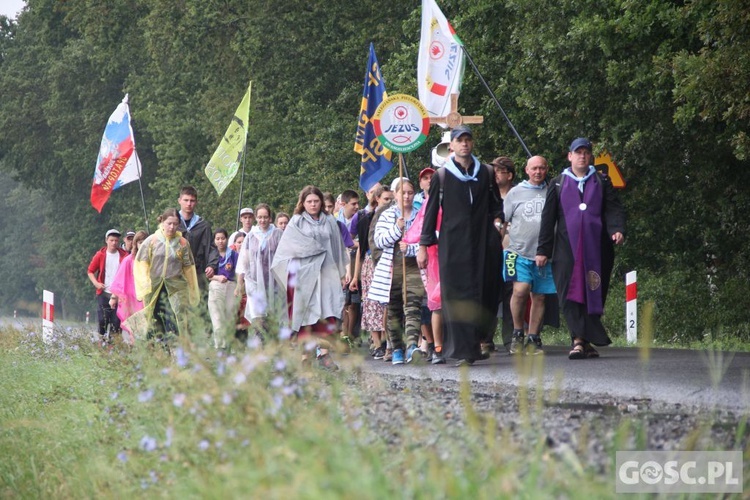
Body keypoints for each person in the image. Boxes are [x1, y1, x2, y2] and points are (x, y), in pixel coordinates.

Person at [418, 125, 503, 366]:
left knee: (483, 292)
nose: (464, 144)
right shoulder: (442, 176)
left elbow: (497, 205)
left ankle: (478, 341)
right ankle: (463, 349)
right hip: (453, 243)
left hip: (483, 240)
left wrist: (498, 224)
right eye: (460, 140)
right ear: (451, 146)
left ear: (472, 144)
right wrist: (424, 246)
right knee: (457, 295)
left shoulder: (485, 172)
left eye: (468, 139)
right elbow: (431, 212)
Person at [536, 138, 626, 359]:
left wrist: (616, 229)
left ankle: (583, 341)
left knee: (594, 289)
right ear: (570, 156)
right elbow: (548, 220)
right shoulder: (557, 184)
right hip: (566, 249)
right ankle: (578, 340)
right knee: (569, 293)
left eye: (586, 152)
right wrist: (543, 250)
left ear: (590, 156)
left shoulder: (602, 181)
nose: (582, 156)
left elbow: (613, 209)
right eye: (578, 153)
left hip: (597, 247)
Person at [271, 186, 348, 367]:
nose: (313, 204)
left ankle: (324, 354)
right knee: (305, 314)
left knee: (326, 311)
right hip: (304, 275)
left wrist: (341, 272)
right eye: (309, 201)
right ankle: (305, 356)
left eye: (316, 201)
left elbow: (337, 246)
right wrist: (313, 250)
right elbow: (288, 247)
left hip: (327, 272)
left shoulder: (329, 220)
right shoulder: (296, 221)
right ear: (303, 203)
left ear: (321, 202)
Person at [503, 156, 556, 355]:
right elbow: (504, 221)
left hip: (544, 254)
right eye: (534, 168)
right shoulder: (515, 193)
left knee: (539, 296)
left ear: (546, 169)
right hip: (518, 251)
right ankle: (518, 332)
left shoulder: (552, 190)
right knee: (520, 290)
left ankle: (533, 338)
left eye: (542, 168)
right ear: (526, 170)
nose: (538, 172)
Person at [370, 179, 425, 364]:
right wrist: (397, 229)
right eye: (403, 193)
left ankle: (411, 346)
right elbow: (380, 241)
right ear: (396, 194)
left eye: (410, 192)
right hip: (391, 267)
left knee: (412, 305)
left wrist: (410, 248)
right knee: (393, 308)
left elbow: (428, 240)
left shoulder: (420, 215)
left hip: (413, 266)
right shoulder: (386, 215)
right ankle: (397, 348)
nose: (407, 196)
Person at [134, 208, 200, 343]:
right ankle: (156, 351)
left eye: (175, 224)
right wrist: (144, 283)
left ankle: (177, 352)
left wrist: (193, 290)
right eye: (169, 223)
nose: (172, 227)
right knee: (154, 320)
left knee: (176, 319)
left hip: (176, 288)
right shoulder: (151, 241)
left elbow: (189, 268)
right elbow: (141, 263)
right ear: (162, 222)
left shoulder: (182, 243)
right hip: (155, 288)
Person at [351, 186, 393, 359]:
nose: (389, 203)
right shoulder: (366, 219)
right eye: (386, 199)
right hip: (371, 264)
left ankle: (388, 340)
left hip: (390, 262)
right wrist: (355, 276)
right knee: (371, 304)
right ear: (377, 199)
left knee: (388, 303)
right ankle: (377, 343)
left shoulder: (396, 217)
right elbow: (361, 249)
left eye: (392, 199)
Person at [236, 203, 285, 337]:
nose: (262, 220)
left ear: (270, 218)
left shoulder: (277, 234)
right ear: (256, 218)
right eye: (260, 217)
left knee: (273, 314)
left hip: (274, 282)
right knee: (258, 316)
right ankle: (261, 347)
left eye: (265, 217)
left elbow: (285, 257)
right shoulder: (251, 236)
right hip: (255, 282)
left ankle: (273, 346)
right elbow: (243, 261)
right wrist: (240, 283)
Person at [491, 156, 517, 352]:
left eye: (498, 171)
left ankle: (510, 339)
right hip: (491, 250)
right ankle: (485, 338)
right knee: (490, 294)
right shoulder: (488, 194)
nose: (494, 174)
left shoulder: (518, 195)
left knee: (511, 294)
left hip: (512, 250)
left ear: (509, 175)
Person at [87, 229, 128, 344]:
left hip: (119, 295)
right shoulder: (100, 255)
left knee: (116, 323)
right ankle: (101, 344)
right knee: (102, 321)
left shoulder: (124, 255)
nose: (114, 243)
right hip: (104, 293)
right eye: (111, 240)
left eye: (116, 240)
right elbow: (90, 271)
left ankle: (114, 347)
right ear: (106, 241)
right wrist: (96, 283)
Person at [109, 230, 148, 344]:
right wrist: (113, 297)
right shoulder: (128, 260)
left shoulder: (152, 259)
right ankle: (135, 350)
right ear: (136, 244)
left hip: (147, 298)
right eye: (140, 242)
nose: (142, 245)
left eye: (145, 242)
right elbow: (119, 280)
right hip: (132, 299)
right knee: (135, 329)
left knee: (148, 328)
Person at [177, 186, 217, 291]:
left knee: (198, 304)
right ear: (179, 201)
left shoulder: (203, 225)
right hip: (177, 272)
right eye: (186, 200)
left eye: (192, 201)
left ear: (196, 202)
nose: (189, 204)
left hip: (198, 273)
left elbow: (211, 248)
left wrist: (211, 265)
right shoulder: (172, 224)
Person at [207, 228, 238, 350]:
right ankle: (220, 347)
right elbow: (207, 274)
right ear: (214, 240)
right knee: (217, 317)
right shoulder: (211, 255)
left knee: (230, 317)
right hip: (215, 286)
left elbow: (238, 271)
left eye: (223, 238)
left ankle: (230, 345)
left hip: (231, 286)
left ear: (227, 239)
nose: (220, 241)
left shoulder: (233, 254)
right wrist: (216, 277)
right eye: (218, 239)